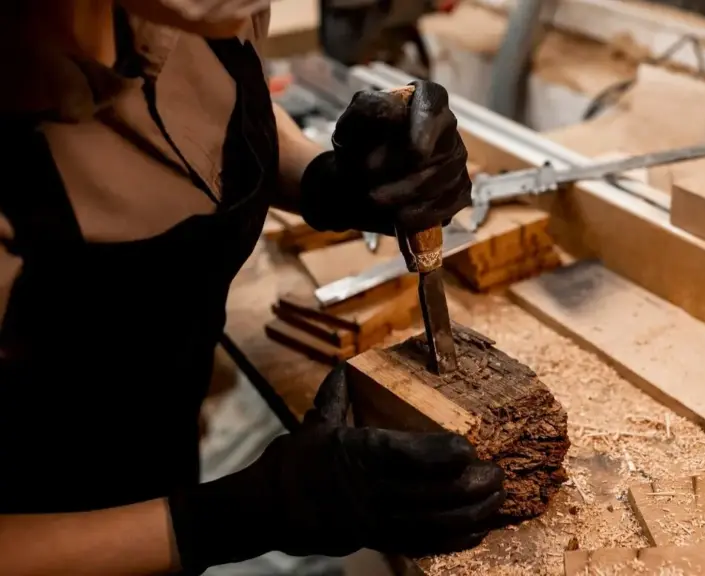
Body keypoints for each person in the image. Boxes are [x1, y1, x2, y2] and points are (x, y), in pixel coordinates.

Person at [0, 1, 506, 575]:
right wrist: (236, 516)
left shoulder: (194, 12)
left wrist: (322, 178)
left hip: (165, 446)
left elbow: (219, 109)